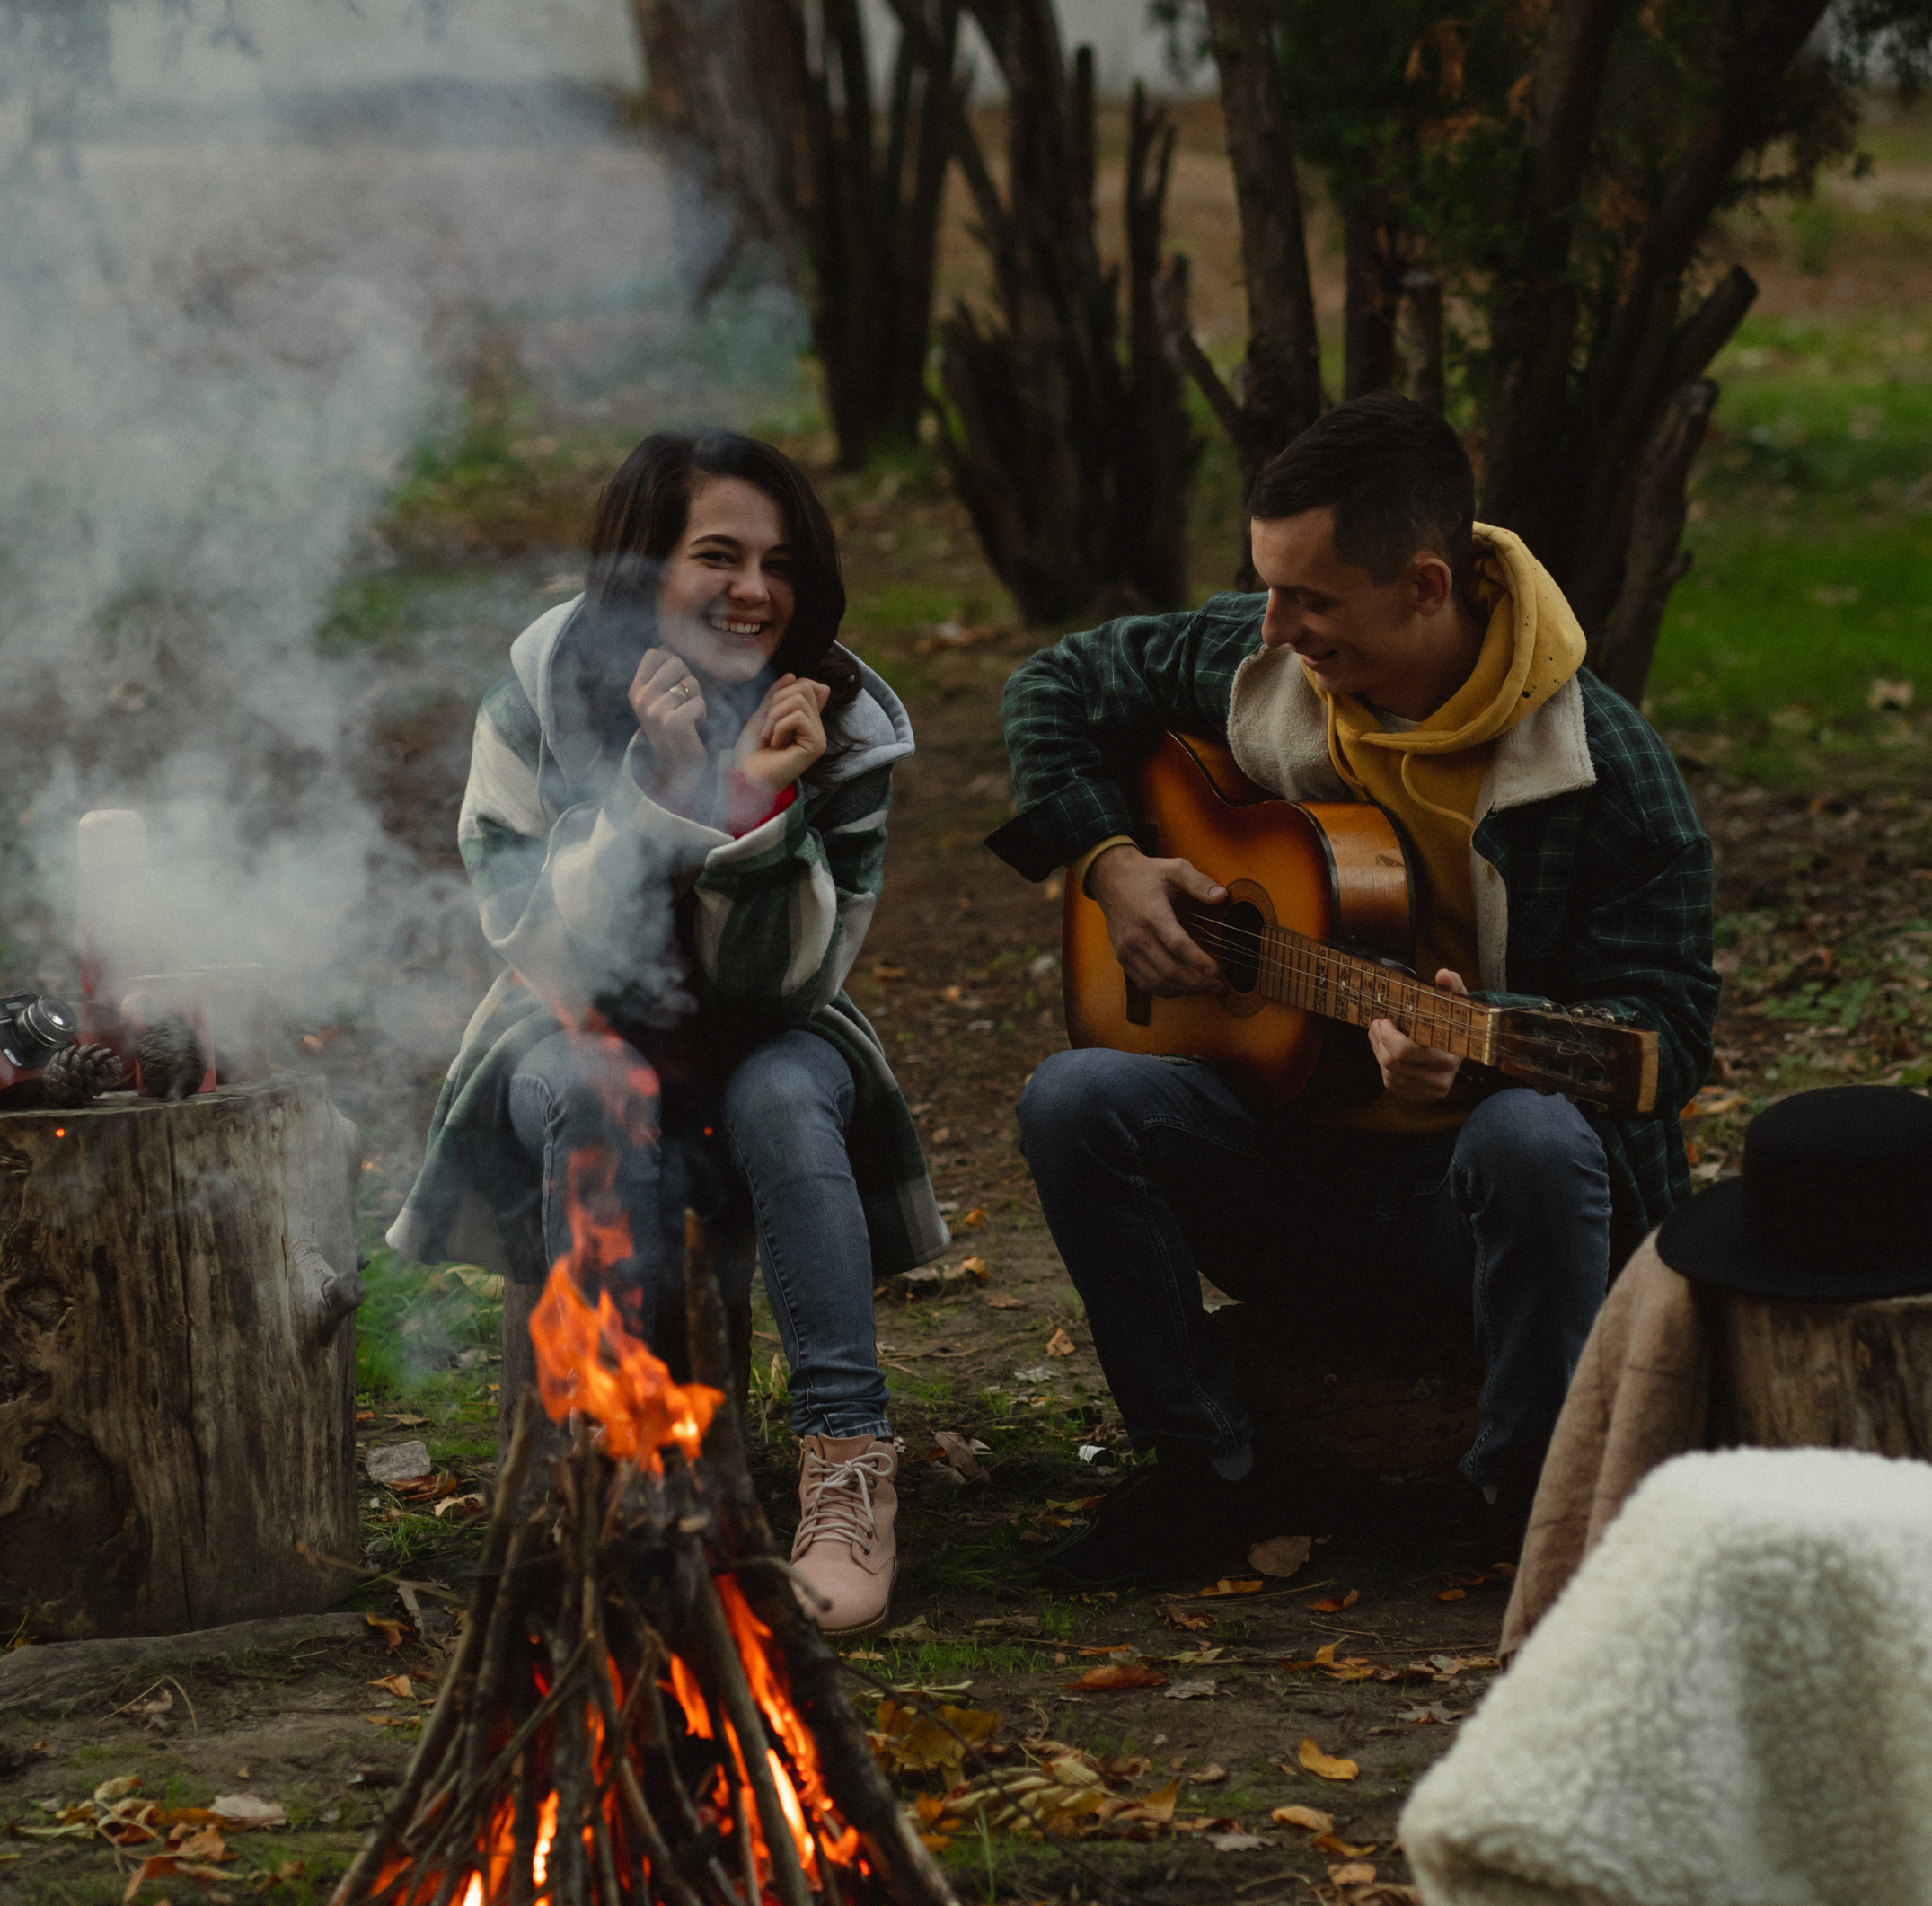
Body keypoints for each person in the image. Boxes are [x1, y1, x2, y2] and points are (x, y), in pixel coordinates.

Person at [990, 396, 1717, 1588]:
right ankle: (1205, 1474)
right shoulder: (1267, 657)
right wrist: (1110, 863)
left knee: (1533, 1137)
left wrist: (1479, 1055)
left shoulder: (1604, 770)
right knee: (1076, 1100)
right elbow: (1054, 684)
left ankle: (1532, 1507)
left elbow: (1668, 1041)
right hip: (1288, 1170)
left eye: (1310, 600)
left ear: (1427, 586)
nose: (1273, 628)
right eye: (1267, 587)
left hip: (1477, 1220)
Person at [387, 427, 942, 1634]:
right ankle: (625, 1478)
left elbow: (792, 982)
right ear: (644, 564)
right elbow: (542, 949)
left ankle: (849, 1472)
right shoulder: (539, 691)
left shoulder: (840, 723)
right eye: (719, 556)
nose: (754, 592)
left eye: (780, 563)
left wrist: (748, 805)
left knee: (788, 1095)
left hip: (767, 1035)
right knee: (599, 1085)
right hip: (566, 1030)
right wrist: (657, 793)